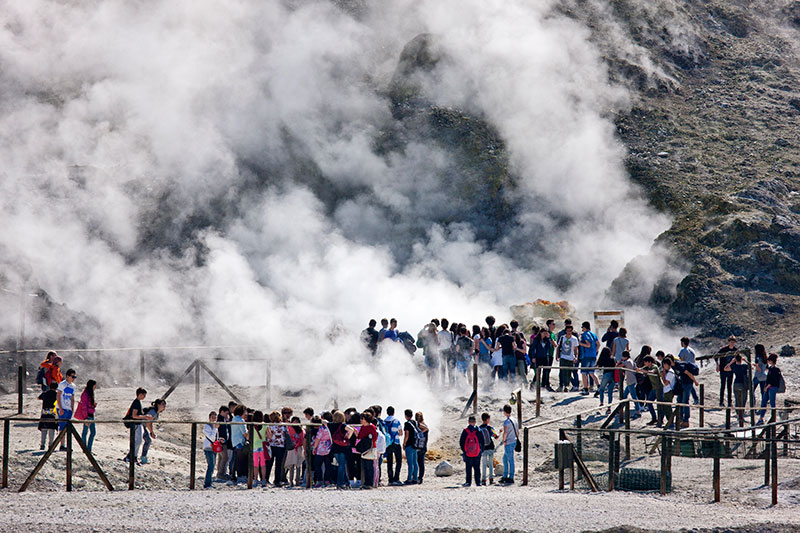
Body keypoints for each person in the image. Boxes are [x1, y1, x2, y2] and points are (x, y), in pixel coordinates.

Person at [123, 388, 152, 464]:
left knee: (138, 441)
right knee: (137, 441)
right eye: (144, 395)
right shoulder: (136, 402)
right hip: (135, 425)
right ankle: (130, 456)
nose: (144, 396)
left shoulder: (138, 402)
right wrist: (145, 417)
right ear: (140, 394)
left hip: (138, 424)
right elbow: (134, 415)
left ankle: (134, 457)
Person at [757, 353, 783, 425]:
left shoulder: (775, 370)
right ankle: (761, 418)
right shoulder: (771, 369)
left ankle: (773, 418)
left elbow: (773, 380)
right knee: (764, 402)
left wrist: (767, 387)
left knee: (772, 403)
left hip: (772, 388)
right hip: (769, 387)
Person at [329, 410, 351, 489]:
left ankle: (347, 483)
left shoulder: (330, 425)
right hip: (342, 447)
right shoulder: (343, 425)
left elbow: (324, 422)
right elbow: (350, 429)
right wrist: (348, 436)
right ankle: (340, 483)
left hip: (334, 448)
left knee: (341, 465)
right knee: (342, 465)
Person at [139, 399, 166, 464]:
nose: (164, 406)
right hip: (139, 426)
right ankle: (142, 458)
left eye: (164, 404)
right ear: (158, 405)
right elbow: (148, 423)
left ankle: (141, 457)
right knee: (146, 441)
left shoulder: (156, 412)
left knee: (145, 441)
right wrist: (151, 432)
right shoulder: (153, 412)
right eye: (162, 404)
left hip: (142, 426)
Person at [726, 354, 749, 427]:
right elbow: (751, 366)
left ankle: (738, 415)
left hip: (736, 384)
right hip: (743, 384)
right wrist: (746, 361)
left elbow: (725, 368)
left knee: (737, 399)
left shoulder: (734, 366)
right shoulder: (744, 366)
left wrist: (731, 362)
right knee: (743, 400)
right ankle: (741, 415)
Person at [459, 415, 483, 487]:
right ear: (475, 422)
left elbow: (461, 442)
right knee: (477, 467)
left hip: (468, 453)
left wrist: (464, 451)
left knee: (468, 468)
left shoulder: (465, 431)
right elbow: (482, 441)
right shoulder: (478, 430)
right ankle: (478, 482)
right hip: (477, 453)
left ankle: (468, 482)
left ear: (468, 422)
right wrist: (480, 451)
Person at [74, 380, 97, 452]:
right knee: (85, 432)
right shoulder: (85, 394)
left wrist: (93, 406)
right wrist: (85, 418)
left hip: (91, 415)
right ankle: (85, 448)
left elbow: (88, 405)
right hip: (87, 416)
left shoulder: (90, 393)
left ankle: (88, 449)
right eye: (95, 385)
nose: (95, 387)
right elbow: (84, 407)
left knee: (92, 432)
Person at [227, 405, 248, 485]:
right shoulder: (241, 420)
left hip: (235, 442)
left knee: (236, 460)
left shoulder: (234, 419)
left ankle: (234, 476)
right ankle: (240, 477)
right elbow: (244, 433)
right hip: (240, 442)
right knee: (240, 461)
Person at [356, 412, 378, 489]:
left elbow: (375, 437)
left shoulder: (372, 427)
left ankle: (370, 483)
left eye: (362, 418)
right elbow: (359, 436)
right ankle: (366, 482)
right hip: (364, 449)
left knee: (370, 466)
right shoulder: (362, 427)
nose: (361, 420)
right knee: (365, 466)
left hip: (370, 448)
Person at [266, 411, 287, 487]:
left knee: (269, 464)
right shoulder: (283, 426)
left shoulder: (269, 425)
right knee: (278, 465)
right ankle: (277, 481)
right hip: (280, 446)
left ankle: (266, 479)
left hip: (271, 445)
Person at [383, 406, 403, 486]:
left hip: (388, 444)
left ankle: (390, 479)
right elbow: (401, 433)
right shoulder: (396, 421)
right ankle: (396, 478)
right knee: (398, 461)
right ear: (394, 412)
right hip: (396, 442)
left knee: (389, 462)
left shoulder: (384, 422)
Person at [56, 368, 77, 446]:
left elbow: (72, 398)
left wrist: (72, 408)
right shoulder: (62, 384)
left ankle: (65, 444)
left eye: (74, 377)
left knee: (67, 427)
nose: (73, 378)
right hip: (62, 407)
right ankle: (62, 444)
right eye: (72, 377)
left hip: (68, 408)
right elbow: (58, 395)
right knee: (62, 426)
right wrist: (60, 408)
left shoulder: (73, 386)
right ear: (67, 376)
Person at [716, 335, 738, 407]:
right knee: (723, 385)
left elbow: (737, 359)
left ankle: (729, 402)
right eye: (731, 341)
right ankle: (721, 402)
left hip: (730, 370)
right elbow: (716, 356)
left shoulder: (735, 350)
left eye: (733, 342)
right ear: (729, 342)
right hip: (723, 369)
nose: (732, 343)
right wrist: (718, 365)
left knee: (729, 386)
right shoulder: (723, 349)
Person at [579, 322, 600, 395]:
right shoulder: (593, 334)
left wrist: (580, 343)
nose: (582, 329)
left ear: (584, 327)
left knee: (584, 373)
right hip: (593, 356)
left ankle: (585, 389)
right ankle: (599, 386)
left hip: (586, 356)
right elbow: (598, 344)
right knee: (591, 372)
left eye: (582, 327)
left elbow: (588, 345)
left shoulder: (585, 334)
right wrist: (596, 351)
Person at [311, 415, 332, 488]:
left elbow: (317, 439)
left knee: (317, 465)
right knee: (328, 466)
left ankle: (320, 480)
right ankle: (327, 480)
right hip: (328, 448)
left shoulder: (321, 429)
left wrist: (314, 448)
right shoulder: (330, 428)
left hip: (320, 449)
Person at [556, 325, 579, 392]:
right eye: (568, 331)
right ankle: (561, 385)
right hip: (563, 357)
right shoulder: (562, 338)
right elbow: (558, 346)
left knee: (569, 373)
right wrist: (557, 355)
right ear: (565, 331)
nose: (569, 332)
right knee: (562, 371)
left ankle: (567, 386)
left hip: (571, 358)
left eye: (570, 331)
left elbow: (576, 349)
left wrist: (576, 356)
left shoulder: (574, 339)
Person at [37, 381, 59, 451]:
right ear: (56, 388)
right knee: (51, 430)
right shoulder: (57, 395)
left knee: (44, 430)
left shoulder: (45, 393)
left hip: (44, 413)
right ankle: (51, 445)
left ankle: (42, 445)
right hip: (52, 413)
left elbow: (38, 398)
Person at [500, 404, 518, 484]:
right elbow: (517, 432)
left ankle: (511, 477)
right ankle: (505, 475)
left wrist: (504, 440)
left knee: (510, 460)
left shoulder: (506, 422)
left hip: (509, 442)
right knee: (505, 458)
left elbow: (505, 433)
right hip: (514, 440)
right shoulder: (515, 420)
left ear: (504, 412)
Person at [284, 416, 305, 486]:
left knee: (299, 465)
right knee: (291, 465)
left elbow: (302, 439)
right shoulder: (290, 428)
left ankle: (297, 480)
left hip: (299, 448)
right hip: (292, 448)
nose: (295, 422)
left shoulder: (301, 430)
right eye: (294, 421)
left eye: (297, 421)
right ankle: (291, 481)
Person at [478, 412, 497, 485]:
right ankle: (491, 479)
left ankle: (483, 480)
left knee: (484, 464)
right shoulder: (490, 428)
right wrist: (500, 432)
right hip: (490, 447)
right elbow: (495, 436)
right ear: (488, 419)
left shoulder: (479, 428)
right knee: (491, 464)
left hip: (483, 449)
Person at [657, 358, 677, 428]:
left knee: (668, 407)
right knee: (666, 407)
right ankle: (670, 422)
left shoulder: (670, 372)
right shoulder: (668, 372)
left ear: (666, 364)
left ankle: (670, 422)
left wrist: (663, 375)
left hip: (669, 391)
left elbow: (666, 383)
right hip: (666, 391)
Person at [202, 411, 219, 489]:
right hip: (208, 448)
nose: (214, 419)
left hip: (214, 447)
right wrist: (215, 429)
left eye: (215, 418)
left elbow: (215, 437)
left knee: (213, 465)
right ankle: (207, 484)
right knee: (211, 465)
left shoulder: (215, 426)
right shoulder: (207, 426)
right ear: (209, 418)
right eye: (212, 417)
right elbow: (211, 437)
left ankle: (209, 483)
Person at [214, 406, 231, 482]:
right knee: (225, 457)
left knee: (221, 457)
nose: (227, 414)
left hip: (224, 441)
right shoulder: (220, 419)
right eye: (226, 413)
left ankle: (220, 473)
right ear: (222, 412)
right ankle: (221, 473)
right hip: (221, 441)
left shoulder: (223, 419)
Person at [596, 347, 615, 413]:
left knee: (601, 389)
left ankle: (601, 402)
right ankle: (609, 407)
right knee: (610, 392)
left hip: (606, 374)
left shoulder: (602, 359)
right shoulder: (612, 359)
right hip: (613, 375)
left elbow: (599, 367)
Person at [403, 409, 419, 484]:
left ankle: (409, 479)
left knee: (410, 463)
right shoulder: (415, 422)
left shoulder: (407, 424)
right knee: (415, 462)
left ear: (406, 416)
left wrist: (404, 443)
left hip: (409, 445)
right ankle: (415, 478)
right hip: (415, 444)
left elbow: (406, 435)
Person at [414, 411, 428, 484]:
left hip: (419, 447)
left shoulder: (420, 425)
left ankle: (418, 477)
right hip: (423, 447)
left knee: (418, 463)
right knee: (420, 463)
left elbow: (426, 429)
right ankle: (419, 477)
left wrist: (419, 433)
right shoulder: (422, 425)